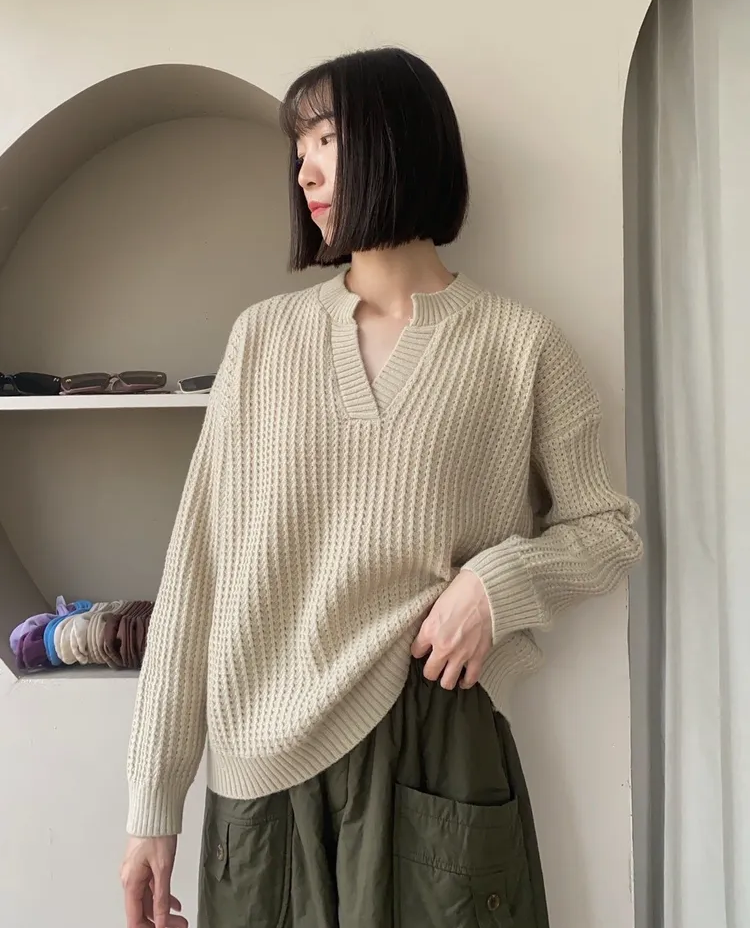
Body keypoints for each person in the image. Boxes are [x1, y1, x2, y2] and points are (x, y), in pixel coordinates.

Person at [121, 47, 642, 928]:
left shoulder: (519, 347)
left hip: (432, 742)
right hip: (263, 766)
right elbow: (196, 572)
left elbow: (608, 530)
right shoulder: (263, 340)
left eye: (326, 139)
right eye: (298, 149)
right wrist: (152, 801)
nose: (304, 171)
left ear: (399, 142)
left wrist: (497, 584)